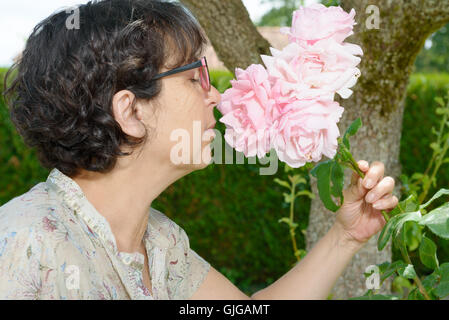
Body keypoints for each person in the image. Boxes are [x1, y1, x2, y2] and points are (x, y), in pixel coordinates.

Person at [0, 0, 398, 300]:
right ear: (130, 110)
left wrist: (346, 236)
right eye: (195, 77)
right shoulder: (24, 246)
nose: (218, 95)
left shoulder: (162, 244)